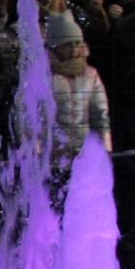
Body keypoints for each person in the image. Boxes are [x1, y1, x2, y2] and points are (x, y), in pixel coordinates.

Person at [45, 13, 111, 188]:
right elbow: (31, 119)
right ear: (55, 46)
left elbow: (101, 114)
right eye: (67, 45)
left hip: (84, 156)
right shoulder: (42, 76)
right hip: (53, 159)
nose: (74, 50)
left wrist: (104, 148)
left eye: (77, 43)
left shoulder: (90, 74)